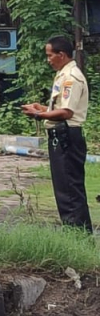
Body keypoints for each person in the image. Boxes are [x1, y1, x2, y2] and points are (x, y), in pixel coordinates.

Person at [22, 35, 92, 233]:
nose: (48, 59)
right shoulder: (63, 74)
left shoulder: (71, 77)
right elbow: (60, 107)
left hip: (67, 135)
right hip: (61, 134)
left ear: (61, 55)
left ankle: (77, 234)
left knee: (70, 187)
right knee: (64, 187)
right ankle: (74, 231)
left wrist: (38, 114)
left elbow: (67, 113)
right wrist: (42, 108)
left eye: (50, 55)